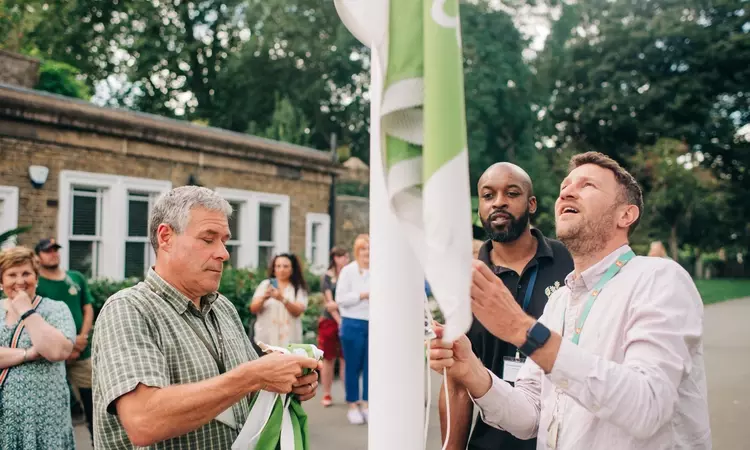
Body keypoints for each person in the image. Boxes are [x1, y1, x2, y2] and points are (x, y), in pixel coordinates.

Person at [430, 152, 711, 449]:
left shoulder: (658, 279)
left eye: (587, 185)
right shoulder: (560, 302)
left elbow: (648, 406)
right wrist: (471, 369)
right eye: (565, 186)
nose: (567, 191)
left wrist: (523, 330)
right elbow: (530, 416)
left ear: (625, 215)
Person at [92, 186, 321, 449]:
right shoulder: (128, 309)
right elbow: (143, 421)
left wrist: (287, 382)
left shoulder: (223, 307)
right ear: (165, 237)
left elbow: (244, 397)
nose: (223, 253)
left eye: (225, 240)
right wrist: (253, 375)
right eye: (208, 239)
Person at [439, 162, 573, 450]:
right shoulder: (464, 282)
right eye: (488, 196)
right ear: (479, 209)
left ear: (532, 203)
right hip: (491, 442)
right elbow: (457, 383)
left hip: (562, 438)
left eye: (511, 193)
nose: (499, 202)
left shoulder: (569, 262)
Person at [0, 246, 76, 449]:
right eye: (11, 275)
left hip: (45, 420)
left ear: (37, 277)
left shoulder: (56, 309)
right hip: (3, 421)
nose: (19, 281)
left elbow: (58, 351)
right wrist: (28, 353)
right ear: (1, 281)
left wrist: (26, 310)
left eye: (26, 273)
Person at [35, 237, 95, 439]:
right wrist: (65, 346)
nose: (53, 253)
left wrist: (82, 338)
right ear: (38, 256)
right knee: (51, 408)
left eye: (55, 249)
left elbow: (87, 308)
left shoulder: (75, 277)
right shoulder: (36, 284)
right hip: (50, 356)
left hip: (81, 353)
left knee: (93, 403)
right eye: (47, 250)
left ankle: (97, 440)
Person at [335, 234, 370, 425]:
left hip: (374, 323)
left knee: (370, 365)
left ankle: (366, 403)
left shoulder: (379, 270)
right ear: (357, 251)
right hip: (352, 322)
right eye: (363, 248)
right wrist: (362, 295)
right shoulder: (348, 271)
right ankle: (353, 404)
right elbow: (340, 299)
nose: (367, 252)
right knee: (352, 366)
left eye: (370, 248)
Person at [249, 253, 309, 347]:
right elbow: (253, 309)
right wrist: (265, 297)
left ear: (292, 269)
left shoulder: (297, 288)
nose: (282, 269)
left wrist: (281, 298)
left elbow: (298, 311)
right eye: (278, 266)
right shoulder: (265, 285)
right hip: (265, 341)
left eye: (285, 266)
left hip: (289, 340)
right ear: (274, 268)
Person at [318, 246, 349, 407]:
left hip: (347, 320)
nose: (346, 260)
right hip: (330, 321)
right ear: (335, 258)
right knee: (329, 358)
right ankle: (327, 393)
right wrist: (340, 321)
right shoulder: (327, 277)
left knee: (346, 359)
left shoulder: (349, 275)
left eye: (347, 257)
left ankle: (348, 393)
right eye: (343, 256)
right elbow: (330, 304)